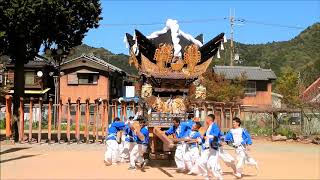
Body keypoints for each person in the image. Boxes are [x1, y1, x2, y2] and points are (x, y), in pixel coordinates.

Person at [197, 114, 223, 180]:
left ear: (209, 119)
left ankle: (219, 177)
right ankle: (207, 176)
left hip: (213, 149)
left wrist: (208, 137)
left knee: (211, 165)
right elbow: (204, 138)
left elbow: (216, 135)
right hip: (206, 149)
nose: (206, 120)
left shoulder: (214, 126)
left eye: (206, 119)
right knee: (200, 162)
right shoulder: (209, 127)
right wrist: (200, 140)